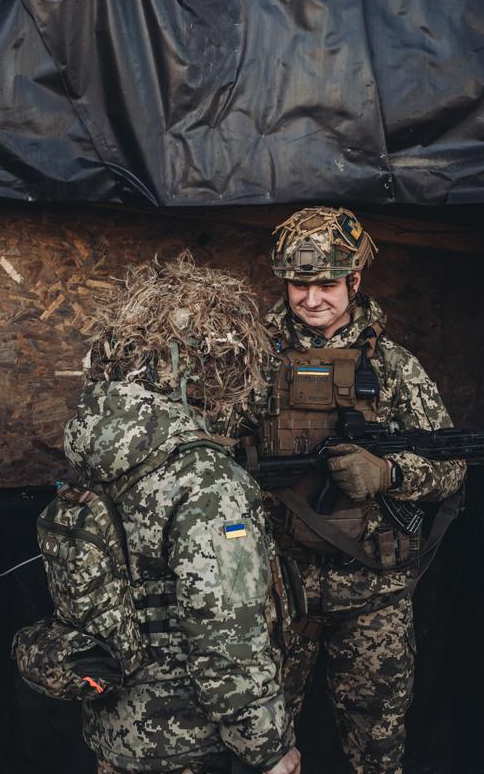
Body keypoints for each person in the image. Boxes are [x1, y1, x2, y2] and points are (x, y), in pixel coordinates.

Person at [57, 255, 301, 774]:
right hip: (186, 744)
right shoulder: (209, 483)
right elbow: (226, 638)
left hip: (114, 735)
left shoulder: (101, 457)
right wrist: (270, 748)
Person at [248, 207, 466, 774]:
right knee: (261, 752)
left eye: (327, 284)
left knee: (377, 753)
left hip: (372, 593)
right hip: (274, 590)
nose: (312, 298)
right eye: (300, 284)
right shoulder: (249, 361)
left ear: (355, 281)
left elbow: (452, 467)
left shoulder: (393, 368)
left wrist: (387, 474)